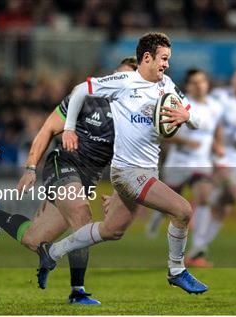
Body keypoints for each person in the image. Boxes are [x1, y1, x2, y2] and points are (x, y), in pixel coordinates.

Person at [0, 57, 138, 304]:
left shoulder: (136, 117)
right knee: (82, 219)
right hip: (63, 165)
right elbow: (48, 129)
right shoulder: (85, 99)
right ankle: (77, 292)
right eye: (119, 77)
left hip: (87, 180)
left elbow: (132, 162)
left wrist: (118, 192)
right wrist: (30, 167)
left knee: (34, 239)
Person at [36, 32, 208, 294]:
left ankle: (53, 251)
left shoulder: (167, 85)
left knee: (111, 230)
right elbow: (81, 89)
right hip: (128, 172)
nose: (167, 64)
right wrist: (69, 128)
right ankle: (177, 270)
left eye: (168, 59)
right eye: (163, 59)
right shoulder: (124, 82)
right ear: (147, 58)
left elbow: (195, 121)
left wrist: (187, 116)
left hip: (148, 171)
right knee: (183, 210)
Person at [186, 64, 236, 266]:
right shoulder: (219, 97)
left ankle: (197, 250)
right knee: (233, 193)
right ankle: (197, 242)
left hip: (234, 159)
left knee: (225, 205)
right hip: (214, 155)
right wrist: (214, 145)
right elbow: (205, 121)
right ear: (233, 80)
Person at [145, 68, 224, 269]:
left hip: (201, 162)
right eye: (195, 82)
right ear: (188, 85)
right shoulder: (176, 102)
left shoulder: (215, 106)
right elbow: (163, 131)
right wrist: (186, 142)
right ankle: (157, 216)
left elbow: (216, 129)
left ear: (207, 84)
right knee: (170, 203)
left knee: (204, 197)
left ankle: (198, 247)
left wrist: (218, 146)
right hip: (179, 161)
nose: (199, 85)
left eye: (202, 81)